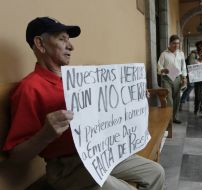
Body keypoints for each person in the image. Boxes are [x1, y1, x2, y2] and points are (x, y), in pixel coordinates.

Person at [2, 17, 165, 190]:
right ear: (40, 44)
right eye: (62, 39)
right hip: (68, 167)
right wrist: (46, 134)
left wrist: (134, 100)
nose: (71, 46)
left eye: (69, 40)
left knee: (156, 172)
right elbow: (16, 155)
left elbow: (107, 110)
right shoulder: (29, 88)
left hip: (102, 152)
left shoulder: (80, 80)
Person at [157, 35, 187, 124]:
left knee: (177, 99)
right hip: (167, 78)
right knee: (169, 100)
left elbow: (183, 66)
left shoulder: (181, 54)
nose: (176, 45)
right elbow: (159, 66)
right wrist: (163, 70)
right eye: (174, 43)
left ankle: (174, 117)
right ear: (169, 43)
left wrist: (184, 77)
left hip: (177, 78)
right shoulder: (164, 54)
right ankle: (168, 120)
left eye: (178, 43)